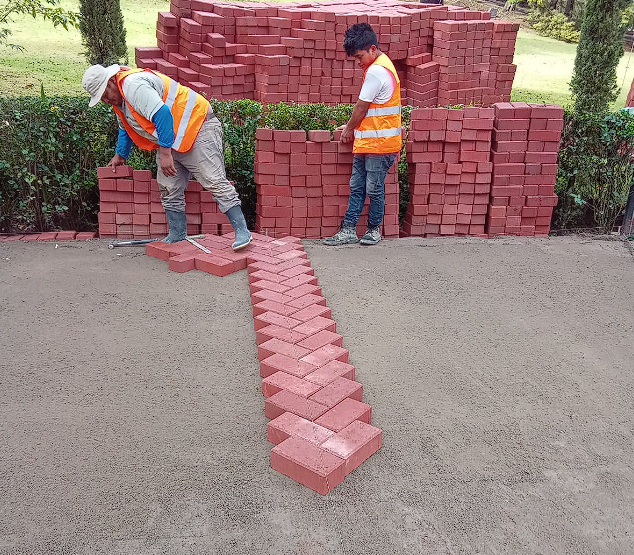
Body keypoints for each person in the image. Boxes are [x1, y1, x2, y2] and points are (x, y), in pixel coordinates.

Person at [81, 64, 252, 250]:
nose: (105, 100)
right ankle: (177, 234)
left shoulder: (133, 86)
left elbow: (163, 114)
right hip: (172, 137)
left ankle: (242, 231)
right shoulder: (120, 100)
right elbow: (126, 127)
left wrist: (165, 153)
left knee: (213, 179)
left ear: (111, 82)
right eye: (101, 98)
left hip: (197, 127)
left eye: (104, 94)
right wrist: (120, 155)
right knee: (168, 187)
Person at [324, 23, 402, 246]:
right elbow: (371, 111)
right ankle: (349, 230)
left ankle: (373, 230)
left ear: (373, 49)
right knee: (357, 186)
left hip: (381, 145)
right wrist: (351, 126)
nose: (358, 62)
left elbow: (361, 107)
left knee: (373, 189)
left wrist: (349, 129)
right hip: (369, 143)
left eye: (360, 56)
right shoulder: (381, 65)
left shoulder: (377, 71)